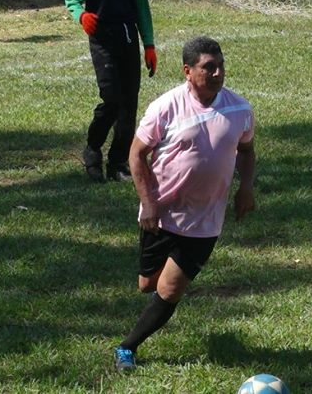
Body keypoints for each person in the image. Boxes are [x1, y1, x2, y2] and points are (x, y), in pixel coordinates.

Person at [113, 36, 256, 372]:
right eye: (209, 67)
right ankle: (156, 301)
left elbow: (247, 151)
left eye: (220, 65)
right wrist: (147, 203)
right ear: (188, 71)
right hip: (161, 214)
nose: (218, 73)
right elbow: (136, 154)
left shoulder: (239, 109)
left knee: (170, 288)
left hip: (206, 220)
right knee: (147, 284)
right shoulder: (166, 107)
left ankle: (127, 348)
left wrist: (246, 187)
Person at [65, 0, 157, 183]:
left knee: (129, 105)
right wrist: (82, 15)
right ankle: (92, 150)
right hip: (103, 41)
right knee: (112, 99)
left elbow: (142, 6)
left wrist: (148, 44)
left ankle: (118, 164)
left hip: (128, 39)